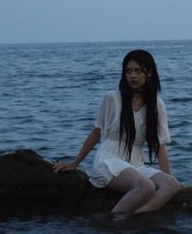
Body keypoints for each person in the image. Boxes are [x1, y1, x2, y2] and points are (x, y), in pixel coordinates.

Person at [52, 49, 180, 217]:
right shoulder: (112, 98)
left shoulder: (157, 105)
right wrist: (75, 164)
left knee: (172, 184)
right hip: (108, 160)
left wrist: (165, 177)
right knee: (146, 186)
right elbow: (96, 133)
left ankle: (134, 218)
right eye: (128, 71)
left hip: (136, 164)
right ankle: (115, 220)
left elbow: (159, 146)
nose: (132, 76)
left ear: (149, 73)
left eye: (138, 71)